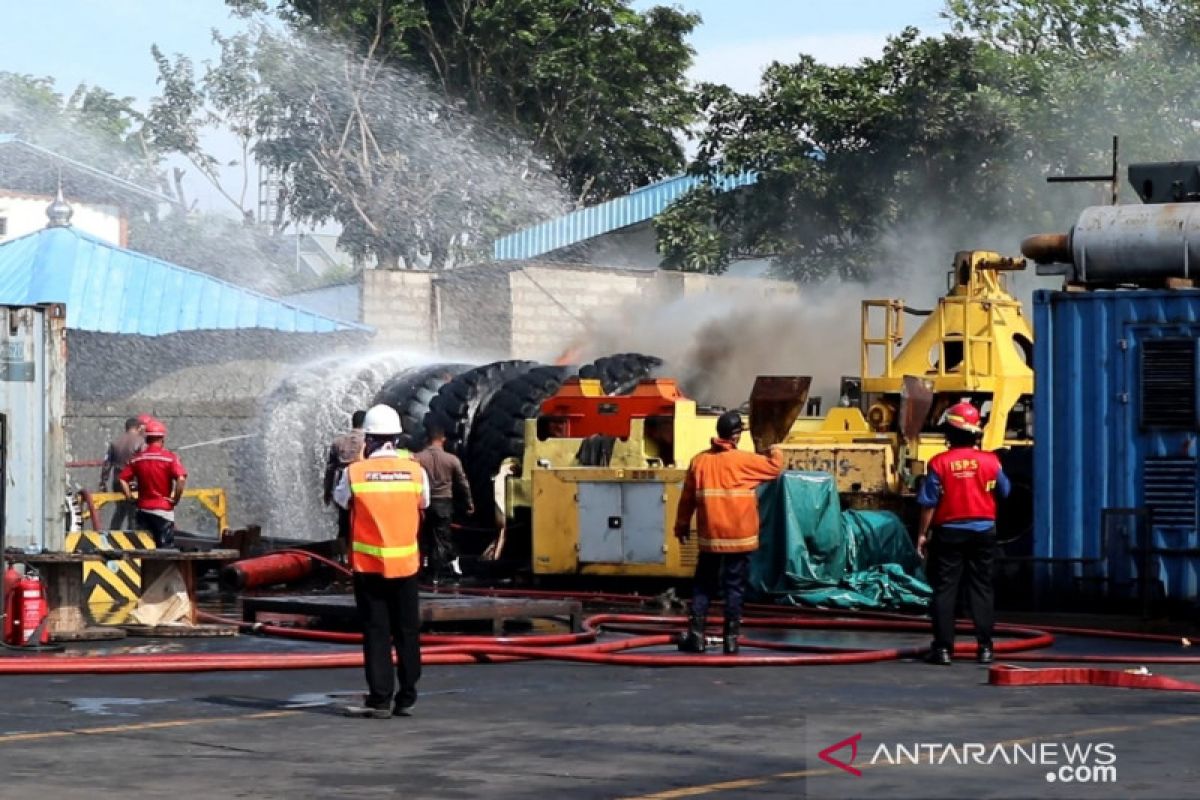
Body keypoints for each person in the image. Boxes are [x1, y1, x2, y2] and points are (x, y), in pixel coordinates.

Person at [335, 404, 430, 719]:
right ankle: (408, 696)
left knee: (377, 632)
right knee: (407, 631)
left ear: (369, 439)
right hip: (406, 566)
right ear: (397, 438)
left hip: (370, 567)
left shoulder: (355, 472)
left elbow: (340, 500)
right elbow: (424, 503)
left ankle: (380, 699)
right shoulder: (416, 471)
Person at [674, 410, 784, 655]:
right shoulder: (745, 461)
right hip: (739, 539)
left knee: (704, 585)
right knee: (734, 587)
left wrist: (681, 526)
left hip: (710, 538)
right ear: (736, 436)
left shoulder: (699, 462)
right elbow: (775, 467)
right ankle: (731, 639)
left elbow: (687, 499)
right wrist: (773, 445)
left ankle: (697, 635)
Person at [916, 401, 1011, 666]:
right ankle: (985, 648)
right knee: (981, 587)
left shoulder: (938, 463)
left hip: (948, 533)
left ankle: (944, 649)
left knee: (945, 589)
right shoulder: (991, 461)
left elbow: (929, 504)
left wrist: (922, 535)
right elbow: (1004, 491)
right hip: (984, 532)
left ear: (950, 433)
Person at [413, 423, 474, 585]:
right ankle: (436, 573)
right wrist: (469, 503)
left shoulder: (417, 458)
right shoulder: (452, 460)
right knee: (441, 537)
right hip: (444, 503)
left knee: (425, 537)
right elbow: (463, 483)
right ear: (443, 439)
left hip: (424, 504)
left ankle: (427, 568)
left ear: (427, 439)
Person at [118, 418, 187, 548]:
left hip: (143, 508)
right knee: (165, 549)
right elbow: (181, 479)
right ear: (162, 439)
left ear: (146, 439)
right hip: (163, 510)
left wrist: (129, 497)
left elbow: (122, 479)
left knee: (144, 549)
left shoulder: (137, 459)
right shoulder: (170, 458)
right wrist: (175, 499)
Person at [324, 410, 367, 551]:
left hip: (342, 487)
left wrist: (327, 492)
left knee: (343, 525)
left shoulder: (339, 442)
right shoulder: (368, 442)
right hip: (363, 488)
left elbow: (330, 469)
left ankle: (341, 556)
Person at [99, 416, 146, 529]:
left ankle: (113, 536)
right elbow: (145, 463)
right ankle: (132, 539)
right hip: (133, 483)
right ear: (138, 428)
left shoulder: (115, 443)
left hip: (117, 482)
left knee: (120, 511)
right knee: (133, 513)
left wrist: (103, 482)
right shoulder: (141, 442)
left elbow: (107, 464)